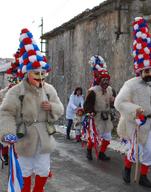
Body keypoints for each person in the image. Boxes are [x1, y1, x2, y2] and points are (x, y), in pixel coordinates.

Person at [0, 28, 64, 192]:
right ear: (28, 72)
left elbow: (60, 108)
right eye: (37, 73)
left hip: (44, 138)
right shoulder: (16, 91)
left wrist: (52, 108)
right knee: (25, 171)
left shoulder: (49, 89)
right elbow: (6, 113)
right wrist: (8, 132)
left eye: (43, 73)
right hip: (24, 138)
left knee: (43, 169)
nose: (41, 77)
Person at [114, 17, 151, 188]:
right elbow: (119, 102)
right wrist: (135, 109)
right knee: (134, 151)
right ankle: (127, 168)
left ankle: (144, 176)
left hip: (150, 123)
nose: (149, 73)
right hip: (134, 123)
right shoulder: (130, 84)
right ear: (139, 70)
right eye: (146, 70)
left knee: (148, 151)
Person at [84, 55, 115, 161]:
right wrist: (90, 112)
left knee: (107, 138)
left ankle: (101, 153)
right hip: (96, 117)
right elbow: (87, 104)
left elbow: (113, 101)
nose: (105, 82)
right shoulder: (93, 91)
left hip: (106, 117)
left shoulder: (110, 90)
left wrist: (113, 103)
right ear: (99, 80)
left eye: (107, 80)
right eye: (103, 80)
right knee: (94, 137)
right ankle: (89, 150)